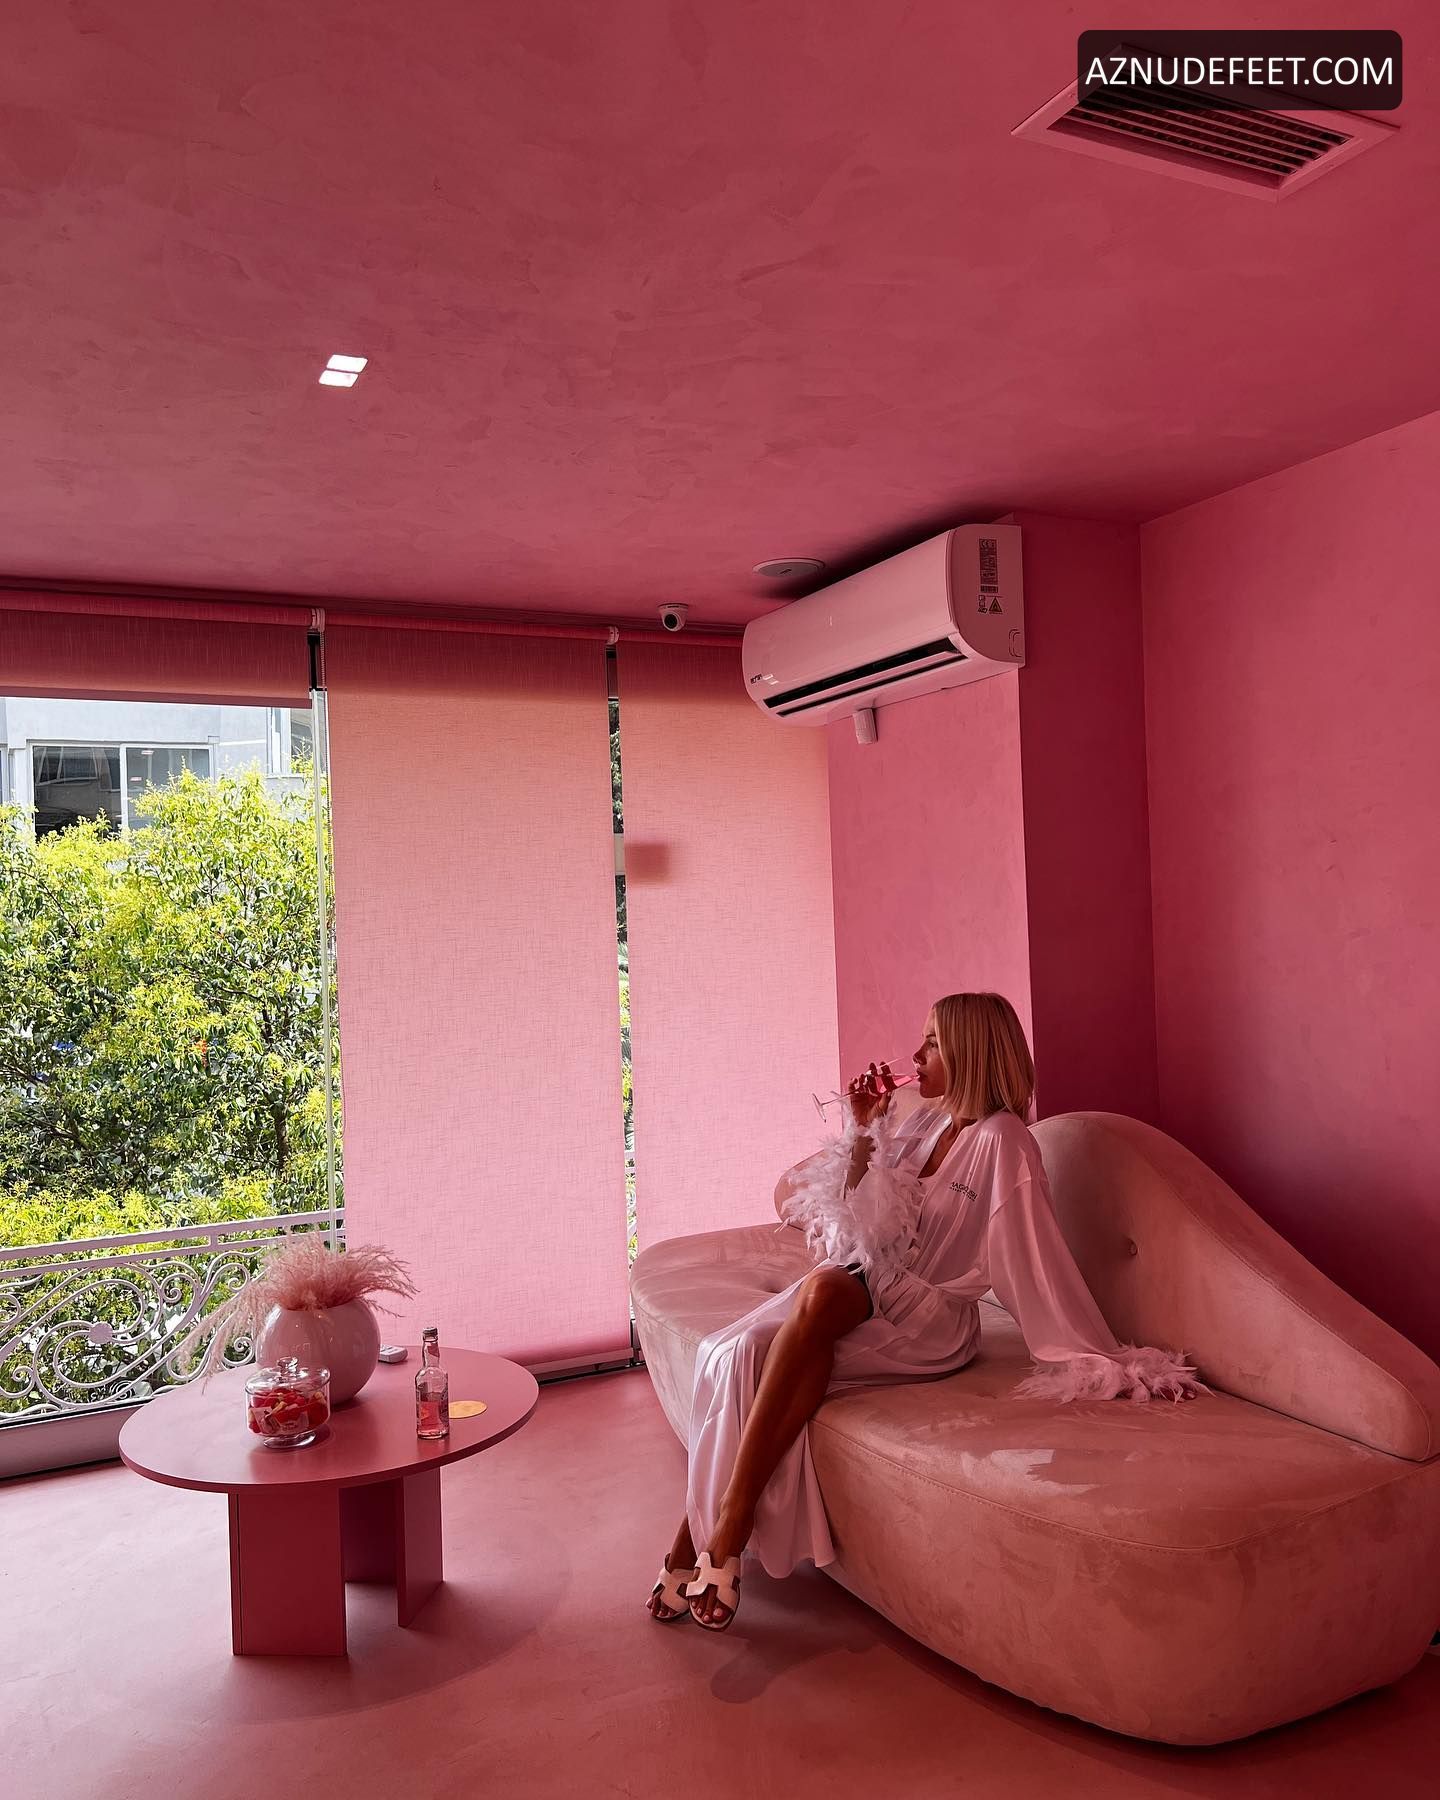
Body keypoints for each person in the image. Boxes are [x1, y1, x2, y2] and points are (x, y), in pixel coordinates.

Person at [645, 991, 1203, 1633]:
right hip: (862, 1284)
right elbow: (852, 1226)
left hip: (926, 1319)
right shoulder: (921, 1124)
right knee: (741, 1349)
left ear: (970, 1051)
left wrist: (1086, 1349)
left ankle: (714, 1532)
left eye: (933, 1043)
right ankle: (715, 1535)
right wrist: (864, 1130)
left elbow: (1033, 1249)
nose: (916, 1055)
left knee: (812, 1303)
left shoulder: (1005, 1141)